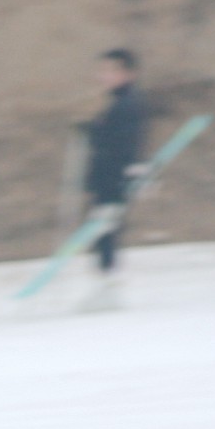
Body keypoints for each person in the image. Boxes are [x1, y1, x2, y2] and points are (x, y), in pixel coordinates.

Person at [79, 48, 149, 311]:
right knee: (102, 234)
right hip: (107, 178)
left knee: (105, 233)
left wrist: (95, 133)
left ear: (128, 73)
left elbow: (123, 143)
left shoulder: (128, 103)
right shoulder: (120, 102)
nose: (103, 76)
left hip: (113, 180)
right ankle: (105, 286)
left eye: (110, 71)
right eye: (102, 70)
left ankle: (109, 290)